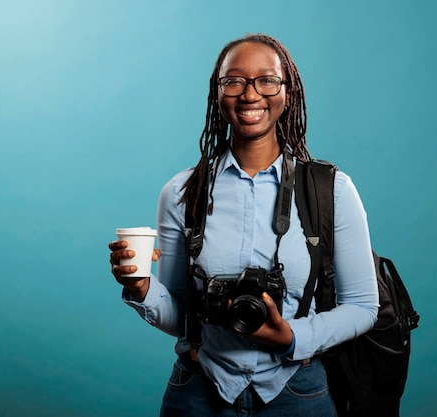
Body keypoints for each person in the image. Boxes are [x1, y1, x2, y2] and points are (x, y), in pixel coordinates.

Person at [108, 33, 379, 417]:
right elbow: (182, 316)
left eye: (267, 80)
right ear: (217, 94)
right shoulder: (184, 192)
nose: (251, 94)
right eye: (233, 81)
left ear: (288, 92)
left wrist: (292, 337)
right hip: (200, 392)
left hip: (297, 391)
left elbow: (364, 306)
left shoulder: (330, 190)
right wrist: (141, 289)